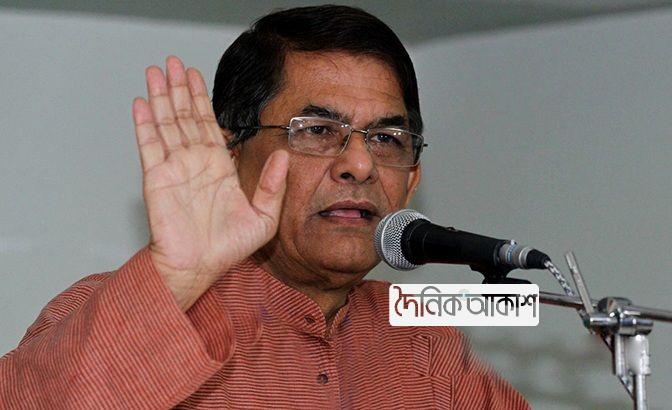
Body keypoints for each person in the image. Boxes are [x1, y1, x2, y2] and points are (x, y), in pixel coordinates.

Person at [0, 5, 529, 409]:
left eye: (387, 138)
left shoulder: (424, 344)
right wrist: (175, 281)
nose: (360, 164)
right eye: (317, 131)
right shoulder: (119, 309)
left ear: (411, 182)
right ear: (228, 157)